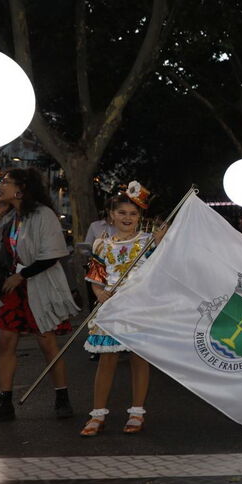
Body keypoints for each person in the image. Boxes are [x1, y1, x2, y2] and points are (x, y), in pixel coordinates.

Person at [0, 168, 80, 425]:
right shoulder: (9, 217)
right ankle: (4, 403)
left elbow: (53, 254)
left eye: (6, 182)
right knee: (5, 343)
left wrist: (21, 276)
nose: (0, 185)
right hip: (14, 288)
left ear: (21, 188)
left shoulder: (43, 215)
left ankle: (62, 397)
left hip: (38, 285)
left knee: (46, 343)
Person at [80, 182, 165, 436]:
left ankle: (137, 412)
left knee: (139, 359)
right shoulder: (101, 245)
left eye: (133, 214)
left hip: (138, 308)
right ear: (111, 215)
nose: (127, 218)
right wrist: (100, 293)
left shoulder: (148, 242)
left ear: (140, 217)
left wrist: (160, 245)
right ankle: (97, 415)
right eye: (122, 213)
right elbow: (96, 277)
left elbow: (161, 269)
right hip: (112, 306)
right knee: (107, 359)